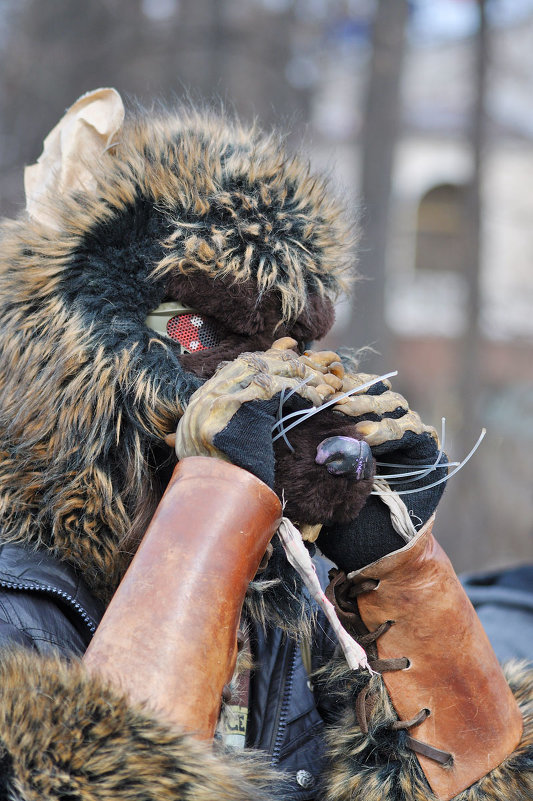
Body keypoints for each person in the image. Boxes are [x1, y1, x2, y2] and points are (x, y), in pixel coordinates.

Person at [0, 88, 530, 801]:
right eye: (203, 335)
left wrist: (407, 580)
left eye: (293, 347)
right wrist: (207, 509)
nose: (274, 386)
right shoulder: (21, 598)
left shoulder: (283, 599)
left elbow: (468, 775)